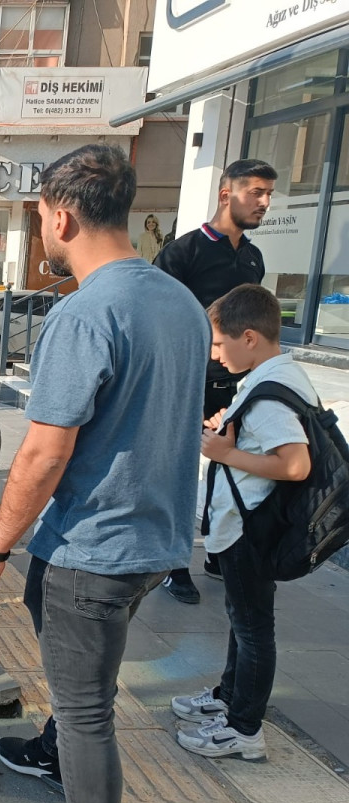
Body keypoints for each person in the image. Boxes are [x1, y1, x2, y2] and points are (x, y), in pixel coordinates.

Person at [0, 144, 209, 803]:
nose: (41, 231)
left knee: (87, 713)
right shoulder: (179, 303)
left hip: (94, 551)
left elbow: (42, 453)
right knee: (80, 680)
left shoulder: (84, 312)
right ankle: (49, 753)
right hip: (154, 544)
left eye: (39, 217)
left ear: (61, 216)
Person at [174, 285, 314, 761]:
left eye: (219, 344)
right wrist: (232, 428)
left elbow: (296, 465)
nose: (214, 354)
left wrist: (228, 452)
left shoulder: (272, 391)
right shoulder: (272, 377)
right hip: (245, 524)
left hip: (250, 529)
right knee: (243, 619)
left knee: (253, 628)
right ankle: (229, 698)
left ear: (249, 337)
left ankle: (244, 729)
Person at [154, 158, 277, 604]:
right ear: (227, 195)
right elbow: (159, 321)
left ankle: (218, 552)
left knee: (228, 469)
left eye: (268, 194)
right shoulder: (182, 253)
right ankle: (173, 564)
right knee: (181, 473)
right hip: (187, 384)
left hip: (238, 387)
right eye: (256, 193)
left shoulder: (253, 257)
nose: (264, 202)